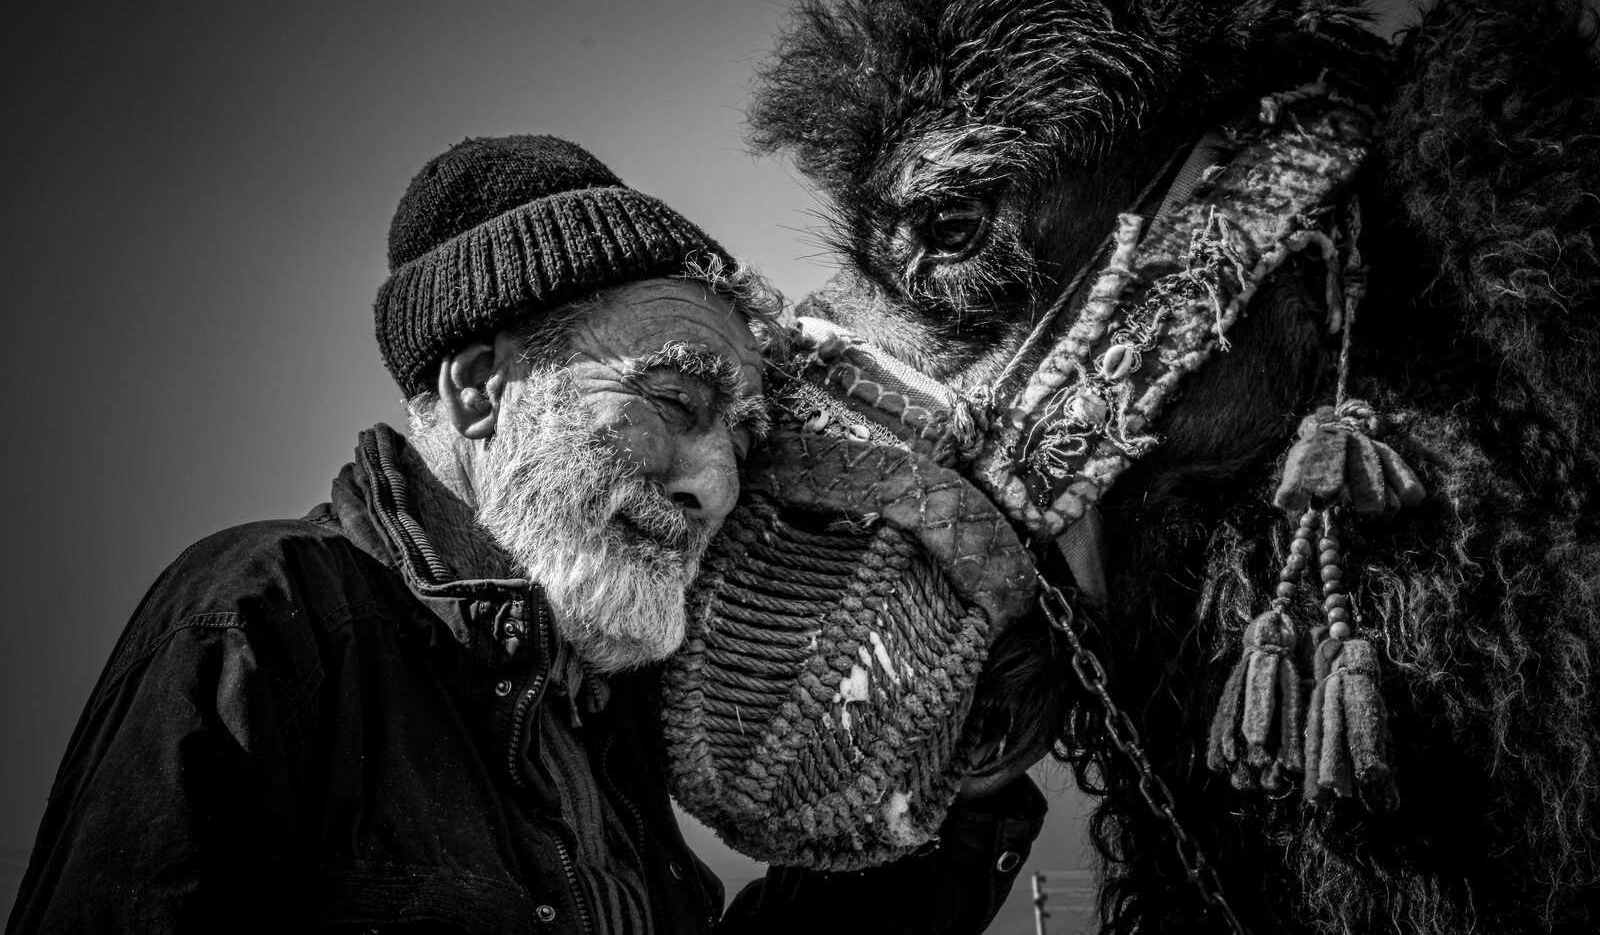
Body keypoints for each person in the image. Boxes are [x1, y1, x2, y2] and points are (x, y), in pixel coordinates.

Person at [5, 135, 1044, 934]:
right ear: (477, 389)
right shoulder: (263, 615)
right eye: (674, 400)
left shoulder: (611, 697)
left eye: (742, 434)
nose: (715, 484)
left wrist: (967, 794)